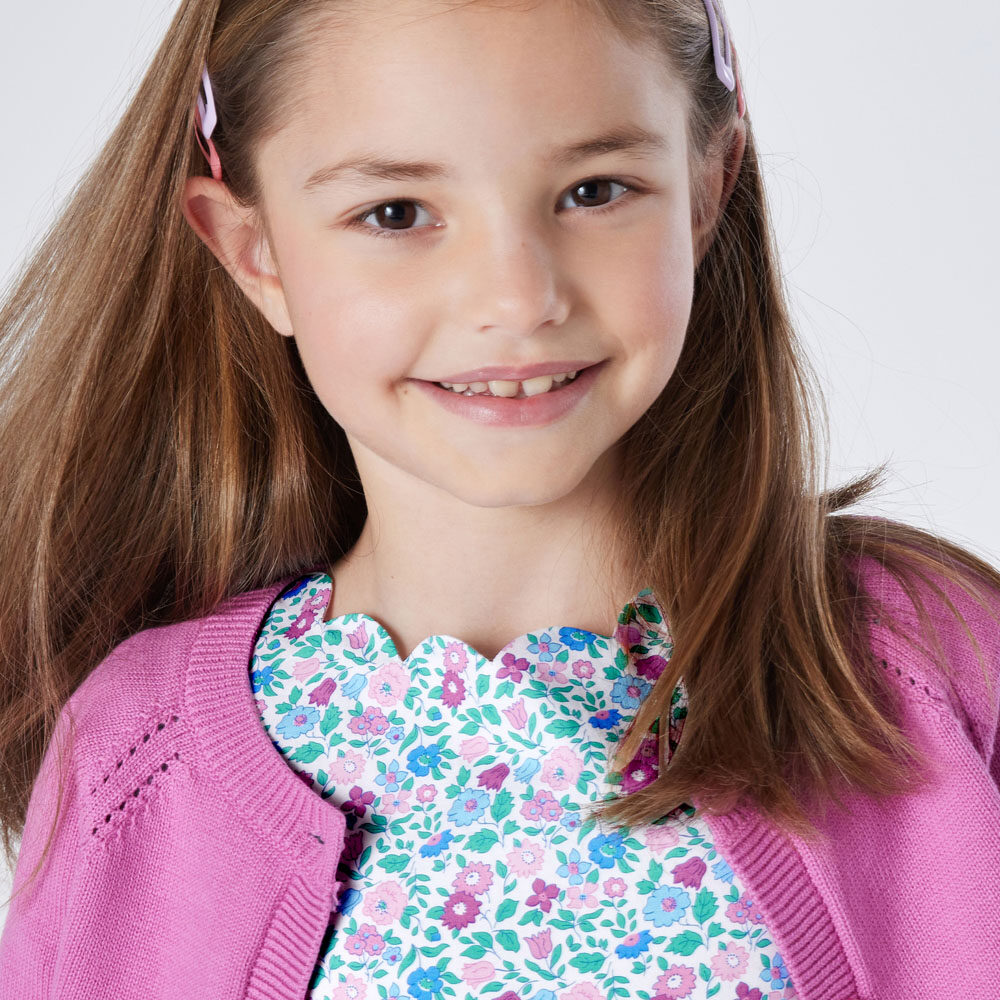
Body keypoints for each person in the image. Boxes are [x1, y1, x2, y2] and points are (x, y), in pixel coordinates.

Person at [0, 0, 998, 997]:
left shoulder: (931, 660)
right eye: (396, 214)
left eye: (594, 191)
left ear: (706, 190)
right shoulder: (133, 754)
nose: (518, 301)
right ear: (251, 250)